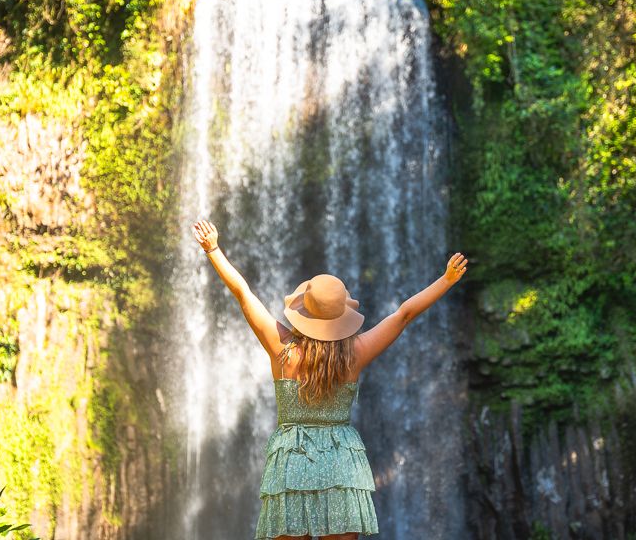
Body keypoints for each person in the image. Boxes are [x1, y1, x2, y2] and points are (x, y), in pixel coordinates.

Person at [192, 219, 468, 540]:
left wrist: (212, 249)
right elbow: (403, 314)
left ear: (303, 312)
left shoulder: (281, 348)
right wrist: (446, 280)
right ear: (342, 318)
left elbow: (243, 293)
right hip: (341, 462)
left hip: (292, 462)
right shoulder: (355, 353)